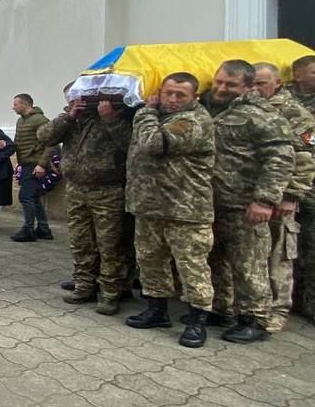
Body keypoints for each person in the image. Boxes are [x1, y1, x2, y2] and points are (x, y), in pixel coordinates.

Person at [201, 59, 294, 343]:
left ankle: (254, 319)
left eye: (230, 84)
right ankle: (221, 309)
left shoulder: (262, 115)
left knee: (249, 264)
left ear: (247, 86)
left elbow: (280, 159)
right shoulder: (209, 109)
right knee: (216, 259)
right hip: (211, 202)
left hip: (245, 205)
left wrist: (264, 200)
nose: (221, 88)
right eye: (218, 81)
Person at [123, 73, 217, 348]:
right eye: (168, 93)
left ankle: (198, 320)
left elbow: (154, 144)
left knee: (192, 266)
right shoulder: (158, 118)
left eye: (181, 95)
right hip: (150, 206)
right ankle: (156, 310)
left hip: (185, 210)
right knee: (151, 259)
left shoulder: (195, 120)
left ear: (194, 98)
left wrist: (146, 111)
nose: (173, 99)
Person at [39, 93, 133, 316]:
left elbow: (131, 145)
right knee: (81, 241)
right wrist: (68, 116)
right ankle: (84, 286)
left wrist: (110, 119)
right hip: (76, 189)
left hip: (107, 189)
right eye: (71, 97)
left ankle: (110, 293)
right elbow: (44, 137)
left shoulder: (118, 114)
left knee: (109, 244)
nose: (76, 100)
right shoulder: (71, 118)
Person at [254, 62, 315, 333]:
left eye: (262, 83)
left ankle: (277, 310)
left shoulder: (296, 114)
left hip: (280, 197)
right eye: (252, 83)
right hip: (252, 192)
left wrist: (290, 196)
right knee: (254, 253)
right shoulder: (247, 109)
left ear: (277, 83)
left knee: (279, 254)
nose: (256, 89)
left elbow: (306, 158)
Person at [289, 54, 315, 323]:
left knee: (311, 246)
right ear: (297, 75)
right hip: (284, 182)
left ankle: (309, 302)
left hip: (310, 183)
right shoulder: (284, 101)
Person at [10, 93, 53, 242]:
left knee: (25, 196)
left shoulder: (40, 120)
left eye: (15, 104)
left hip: (35, 164)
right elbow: (17, 142)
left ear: (25, 104)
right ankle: (43, 229)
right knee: (33, 197)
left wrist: (42, 164)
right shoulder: (20, 121)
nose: (13, 107)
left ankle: (28, 229)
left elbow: (50, 143)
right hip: (25, 163)